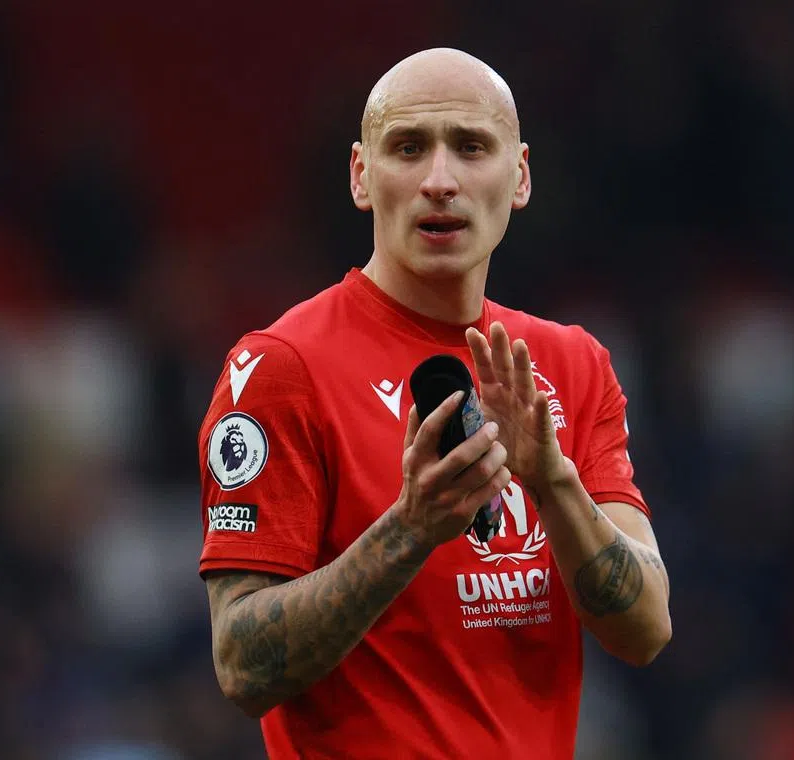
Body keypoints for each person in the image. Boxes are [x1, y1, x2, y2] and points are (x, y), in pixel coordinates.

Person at [198, 47, 672, 759]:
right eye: (409, 148)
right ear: (362, 175)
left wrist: (550, 479)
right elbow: (241, 663)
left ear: (520, 177)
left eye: (472, 147)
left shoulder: (572, 365)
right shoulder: (278, 367)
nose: (440, 181)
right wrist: (412, 530)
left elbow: (645, 630)